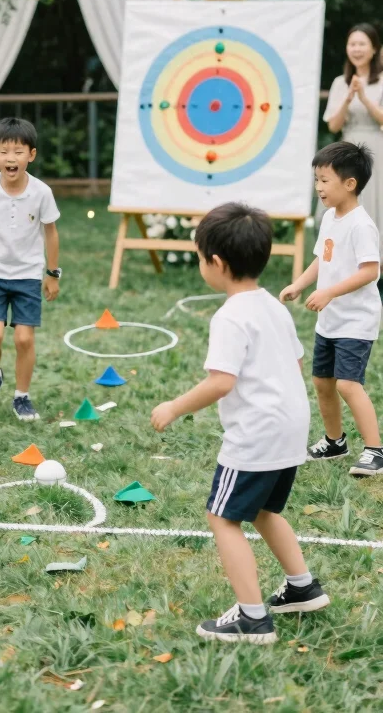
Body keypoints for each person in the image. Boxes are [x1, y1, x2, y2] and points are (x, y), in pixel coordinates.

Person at [151, 203, 329, 644]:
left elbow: (221, 382)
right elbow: (296, 360)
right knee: (266, 511)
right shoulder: (272, 306)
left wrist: (174, 406)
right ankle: (302, 587)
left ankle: (252, 617)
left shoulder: (230, 316)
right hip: (290, 428)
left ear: (216, 263)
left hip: (257, 434)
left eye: (198, 257)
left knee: (222, 516)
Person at [281, 141, 383, 476]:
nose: (318, 187)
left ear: (349, 183)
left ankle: (375, 451)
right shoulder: (329, 218)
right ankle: (335, 442)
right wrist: (300, 284)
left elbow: (371, 271)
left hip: (356, 320)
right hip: (331, 321)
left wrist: (328, 293)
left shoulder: (361, 224)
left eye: (325, 180)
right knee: (322, 382)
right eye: (317, 180)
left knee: (347, 384)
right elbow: (321, 259)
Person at [0, 117, 61, 423]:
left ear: (31, 155)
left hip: (28, 275)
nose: (11, 158)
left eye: (19, 152)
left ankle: (22, 397)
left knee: (24, 339)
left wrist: (52, 273)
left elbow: (51, 233)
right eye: (4, 151)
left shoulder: (41, 192)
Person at [323, 24, 383, 258]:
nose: (356, 49)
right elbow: (333, 125)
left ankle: (375, 264)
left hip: (376, 146)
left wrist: (364, 98)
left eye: (362, 44)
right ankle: (344, 260)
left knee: (374, 202)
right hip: (347, 149)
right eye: (352, 44)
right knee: (346, 202)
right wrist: (348, 98)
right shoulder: (340, 82)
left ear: (374, 48)